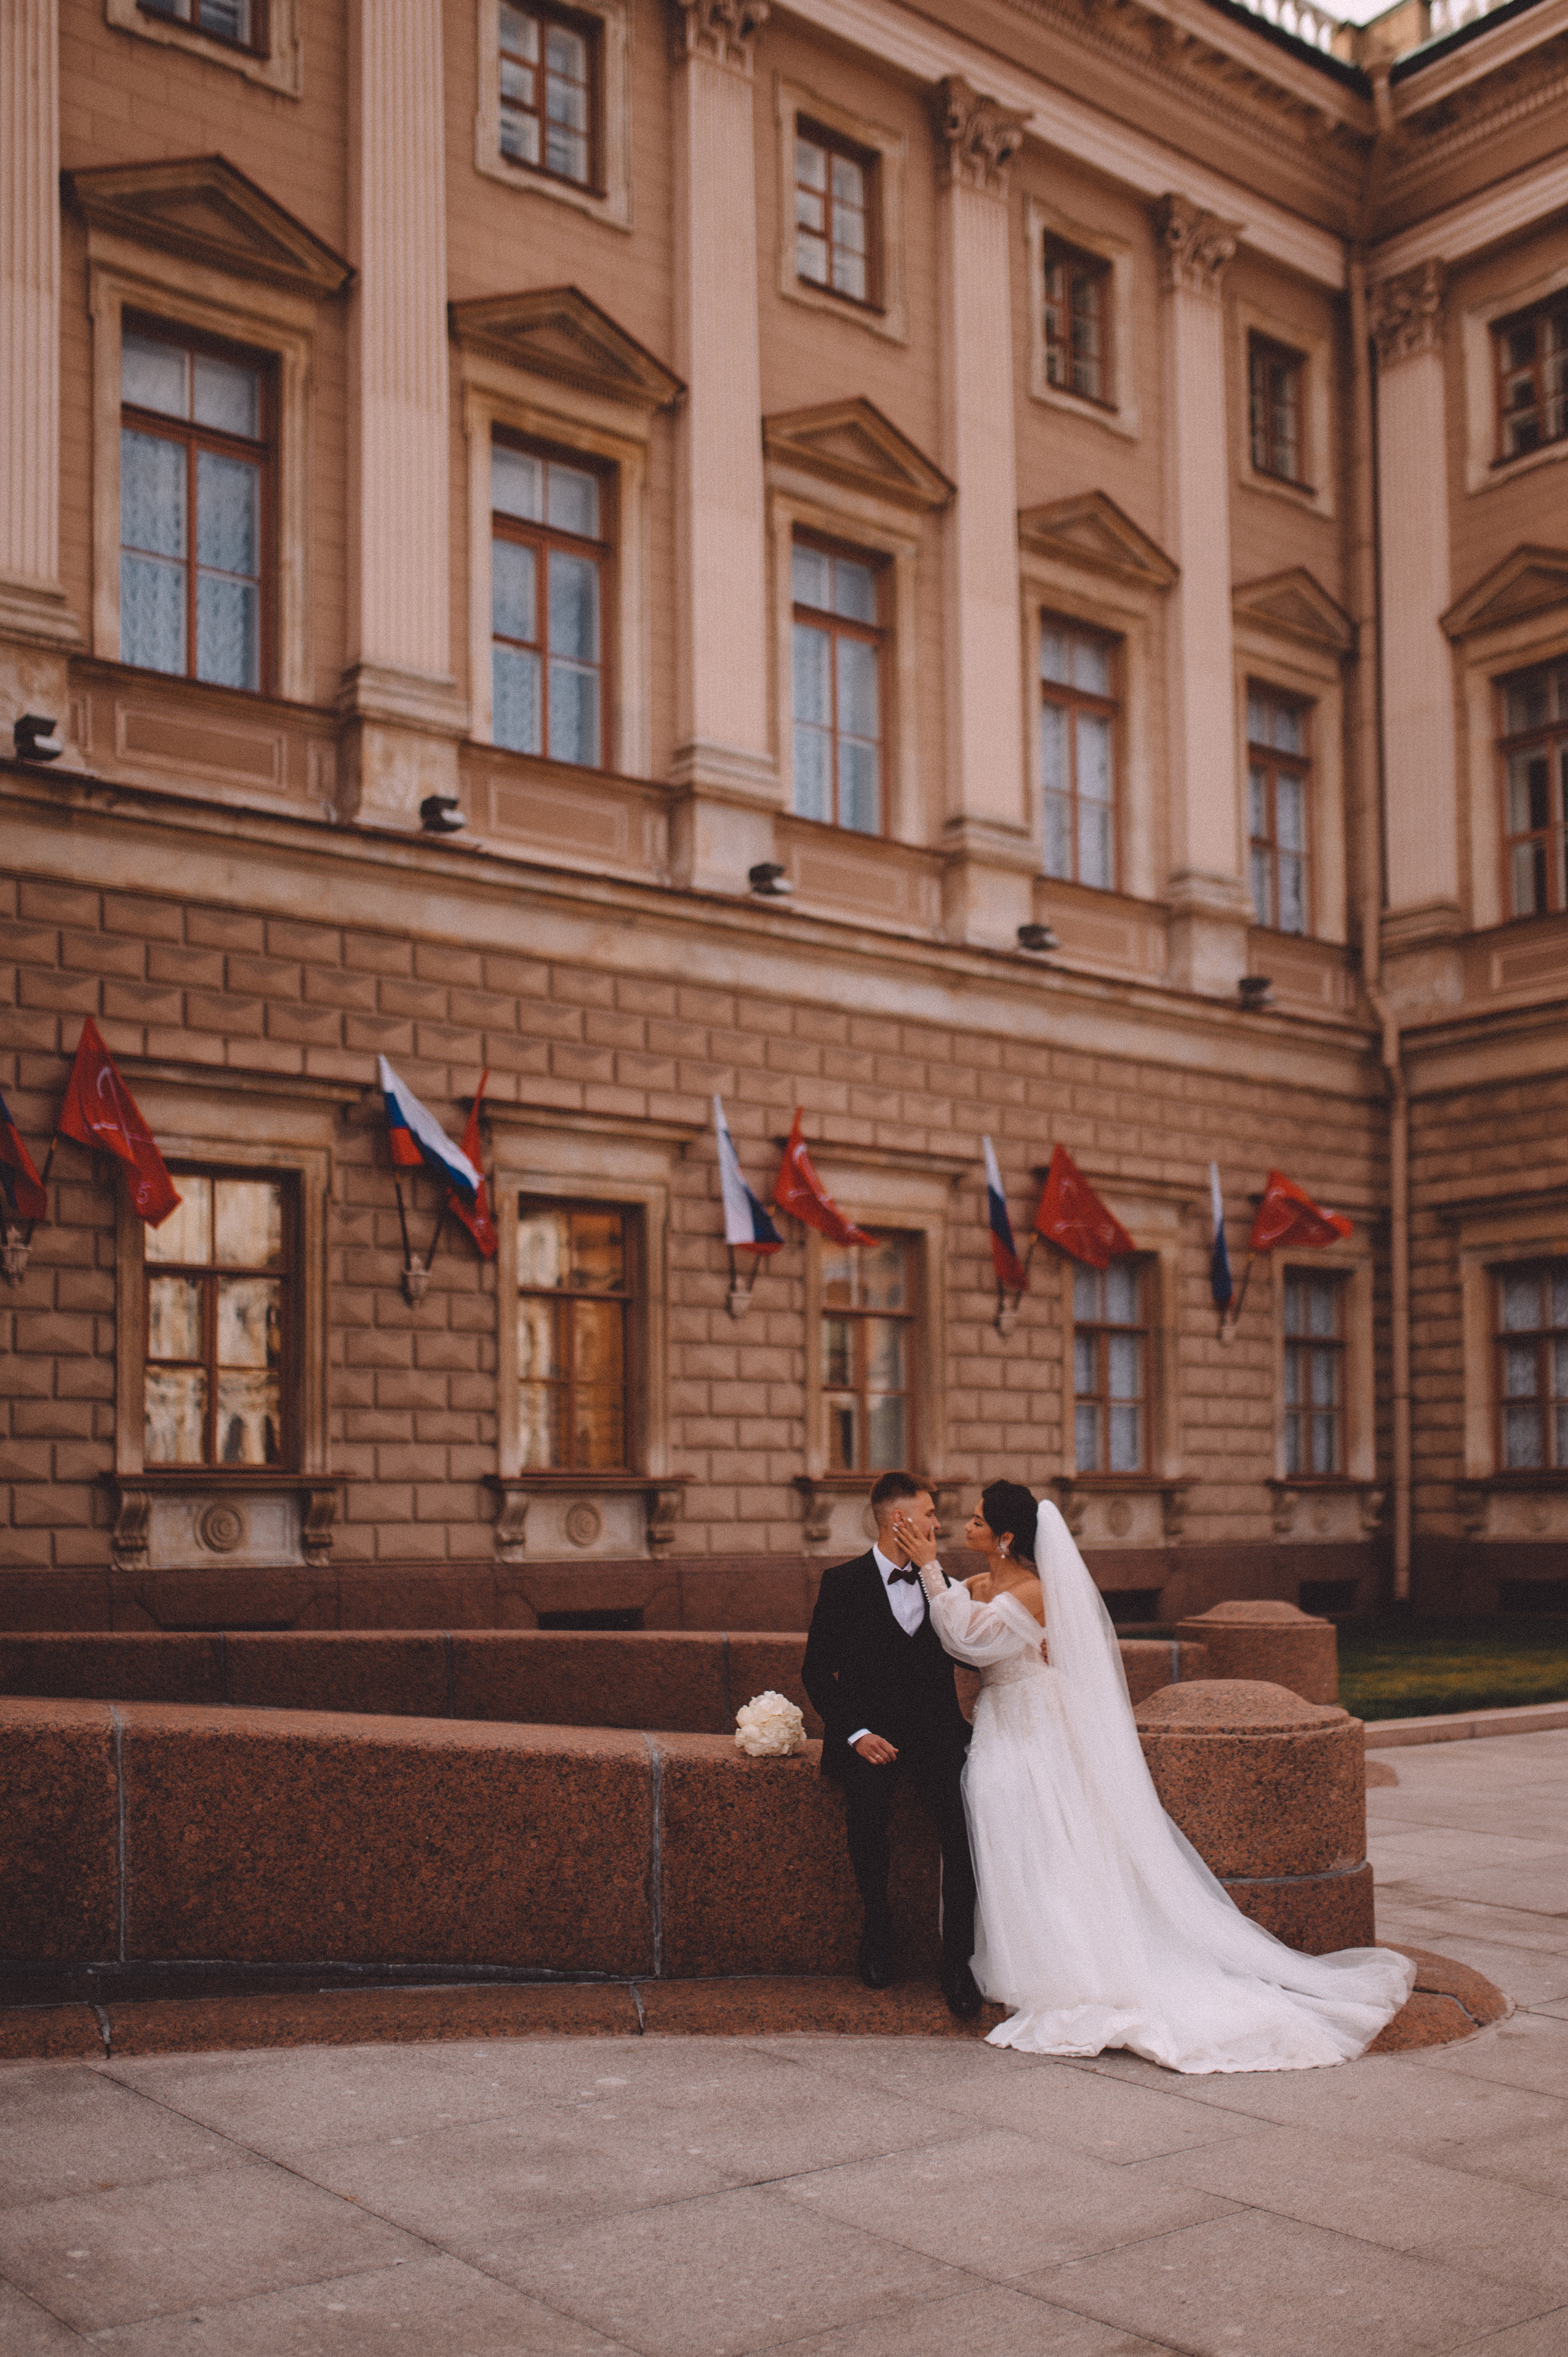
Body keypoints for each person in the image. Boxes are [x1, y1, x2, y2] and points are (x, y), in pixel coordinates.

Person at [893, 1479, 1417, 2073]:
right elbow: (954, 1617)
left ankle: (1069, 1966)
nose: (966, 1526)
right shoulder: (983, 1582)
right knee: (1003, 1824)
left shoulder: (1035, 1589)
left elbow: (967, 1637)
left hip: (1034, 1720)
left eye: (979, 1521)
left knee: (1046, 1833)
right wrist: (928, 1573)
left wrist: (931, 1570)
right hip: (998, 1719)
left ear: (1006, 1537)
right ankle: (1012, 1959)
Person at [801, 1471, 982, 2017]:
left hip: (936, 1737)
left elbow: (973, 1654)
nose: (938, 1523)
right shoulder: (842, 1583)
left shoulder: (944, 1585)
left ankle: (958, 1963)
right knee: (867, 1817)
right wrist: (855, 1734)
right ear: (900, 1522)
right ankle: (876, 1935)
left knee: (963, 1829)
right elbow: (815, 1673)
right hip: (869, 1740)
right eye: (929, 1514)